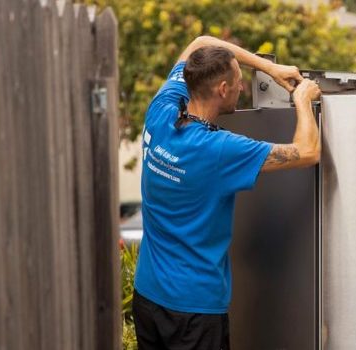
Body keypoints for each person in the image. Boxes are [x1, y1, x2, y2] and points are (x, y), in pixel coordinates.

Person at [132, 35, 322, 350]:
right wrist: (302, 101)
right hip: (194, 311)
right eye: (237, 83)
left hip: (148, 297)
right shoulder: (218, 150)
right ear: (222, 90)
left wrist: (268, 68)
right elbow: (308, 151)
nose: (242, 88)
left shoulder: (162, 109)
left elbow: (199, 42)